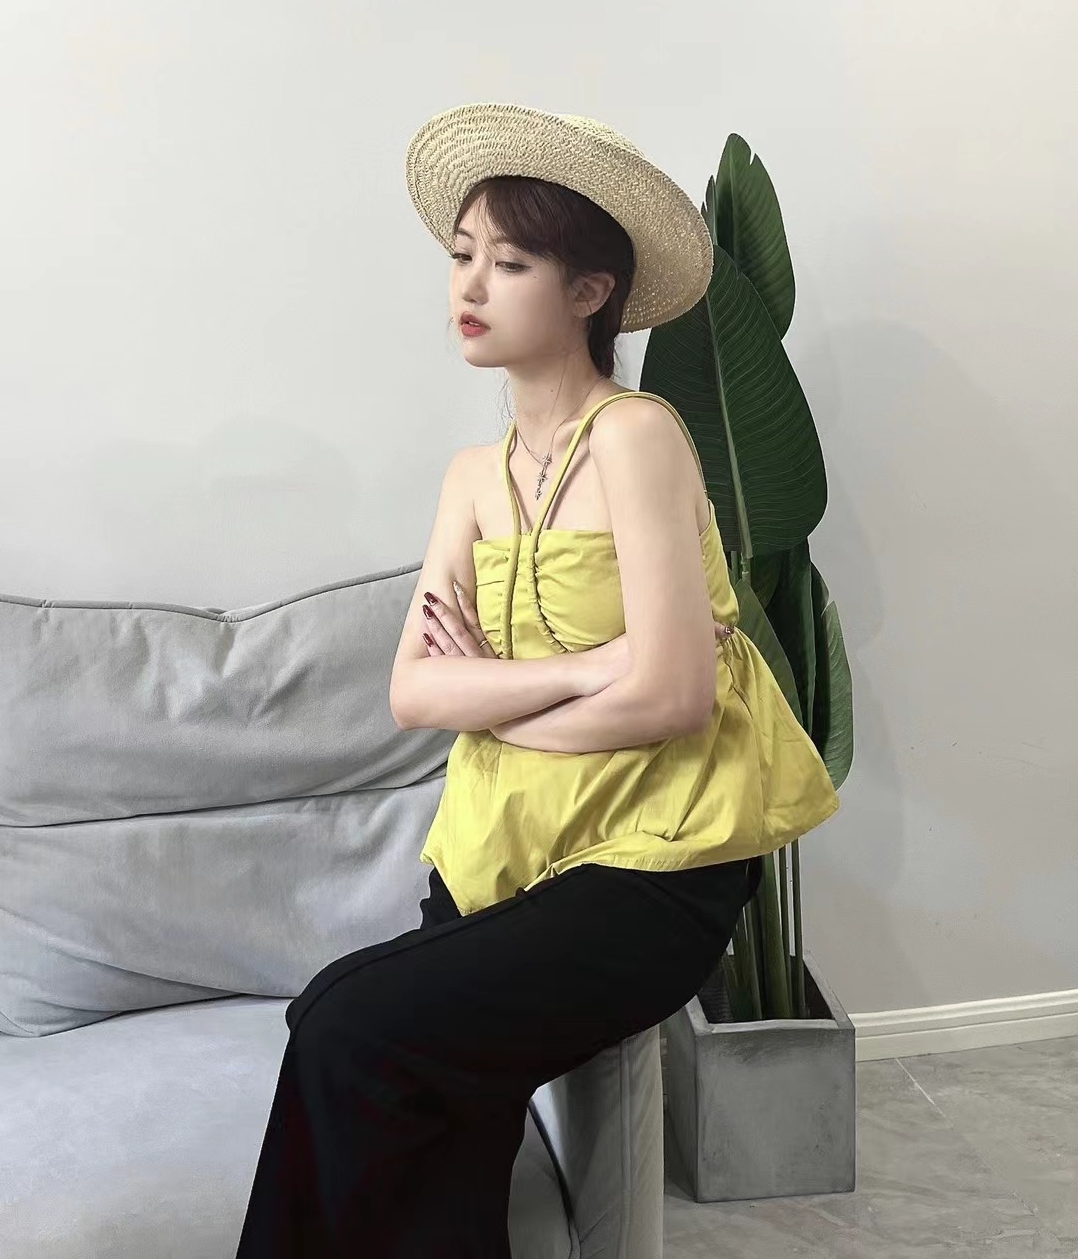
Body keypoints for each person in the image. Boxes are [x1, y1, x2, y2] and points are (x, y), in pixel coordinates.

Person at [234, 103, 840, 1257]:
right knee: (434, 1104)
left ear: (589, 291)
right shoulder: (473, 476)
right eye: (463, 255)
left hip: (653, 860)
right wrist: (591, 667)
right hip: (503, 846)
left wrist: (504, 698)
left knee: (342, 1020)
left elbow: (675, 700)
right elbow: (416, 694)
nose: (470, 284)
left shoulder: (637, 435)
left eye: (510, 262)